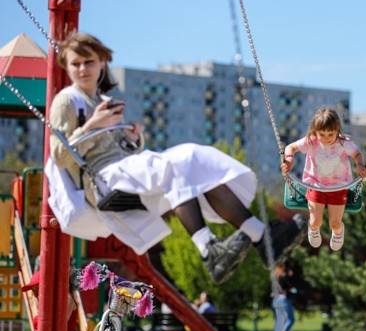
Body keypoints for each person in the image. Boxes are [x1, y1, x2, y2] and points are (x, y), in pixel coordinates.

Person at [47, 32, 306, 284]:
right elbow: (59, 155)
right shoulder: (67, 101)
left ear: (102, 62)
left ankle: (259, 237)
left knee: (196, 164)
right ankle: (213, 248)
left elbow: (120, 149)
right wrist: (93, 124)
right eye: (76, 64)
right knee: (183, 160)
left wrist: (133, 138)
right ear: (67, 67)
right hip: (103, 180)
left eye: (89, 62)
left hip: (123, 169)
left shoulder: (103, 100)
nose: (83, 69)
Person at [280, 108, 366, 251]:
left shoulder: (343, 143)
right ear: (315, 131)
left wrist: (359, 165)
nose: (326, 137)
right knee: (315, 222)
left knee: (334, 223)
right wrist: (289, 160)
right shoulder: (311, 141)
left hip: (338, 187)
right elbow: (291, 147)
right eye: (322, 134)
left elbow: (357, 154)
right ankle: (313, 230)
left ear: (337, 130)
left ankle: (338, 232)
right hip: (316, 185)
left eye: (331, 134)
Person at [0, 270, 78, 331]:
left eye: (39, 289)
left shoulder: (66, 299)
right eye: (34, 291)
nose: (36, 294)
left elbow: (57, 329)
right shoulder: (46, 301)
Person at [273, 262, 297, 331]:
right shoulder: (283, 275)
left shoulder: (275, 276)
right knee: (291, 319)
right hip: (283, 299)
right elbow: (289, 287)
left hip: (275, 300)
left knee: (279, 320)